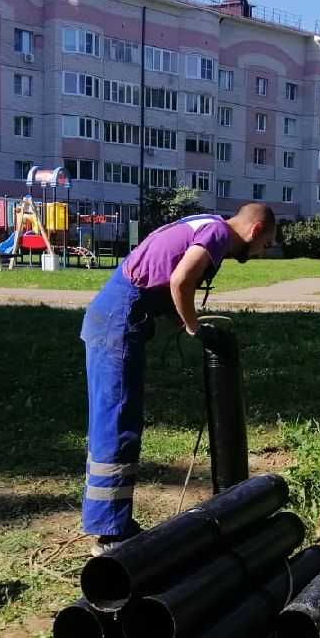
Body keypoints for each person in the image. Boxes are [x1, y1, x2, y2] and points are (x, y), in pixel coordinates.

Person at [81, 203, 277, 549]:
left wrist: (183, 323)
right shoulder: (217, 234)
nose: (260, 254)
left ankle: (111, 522)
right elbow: (181, 279)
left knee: (118, 418)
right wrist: (194, 328)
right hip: (116, 321)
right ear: (255, 230)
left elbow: (166, 281)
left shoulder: (205, 224)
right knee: (116, 422)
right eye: (265, 245)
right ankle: (109, 533)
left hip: (115, 317)